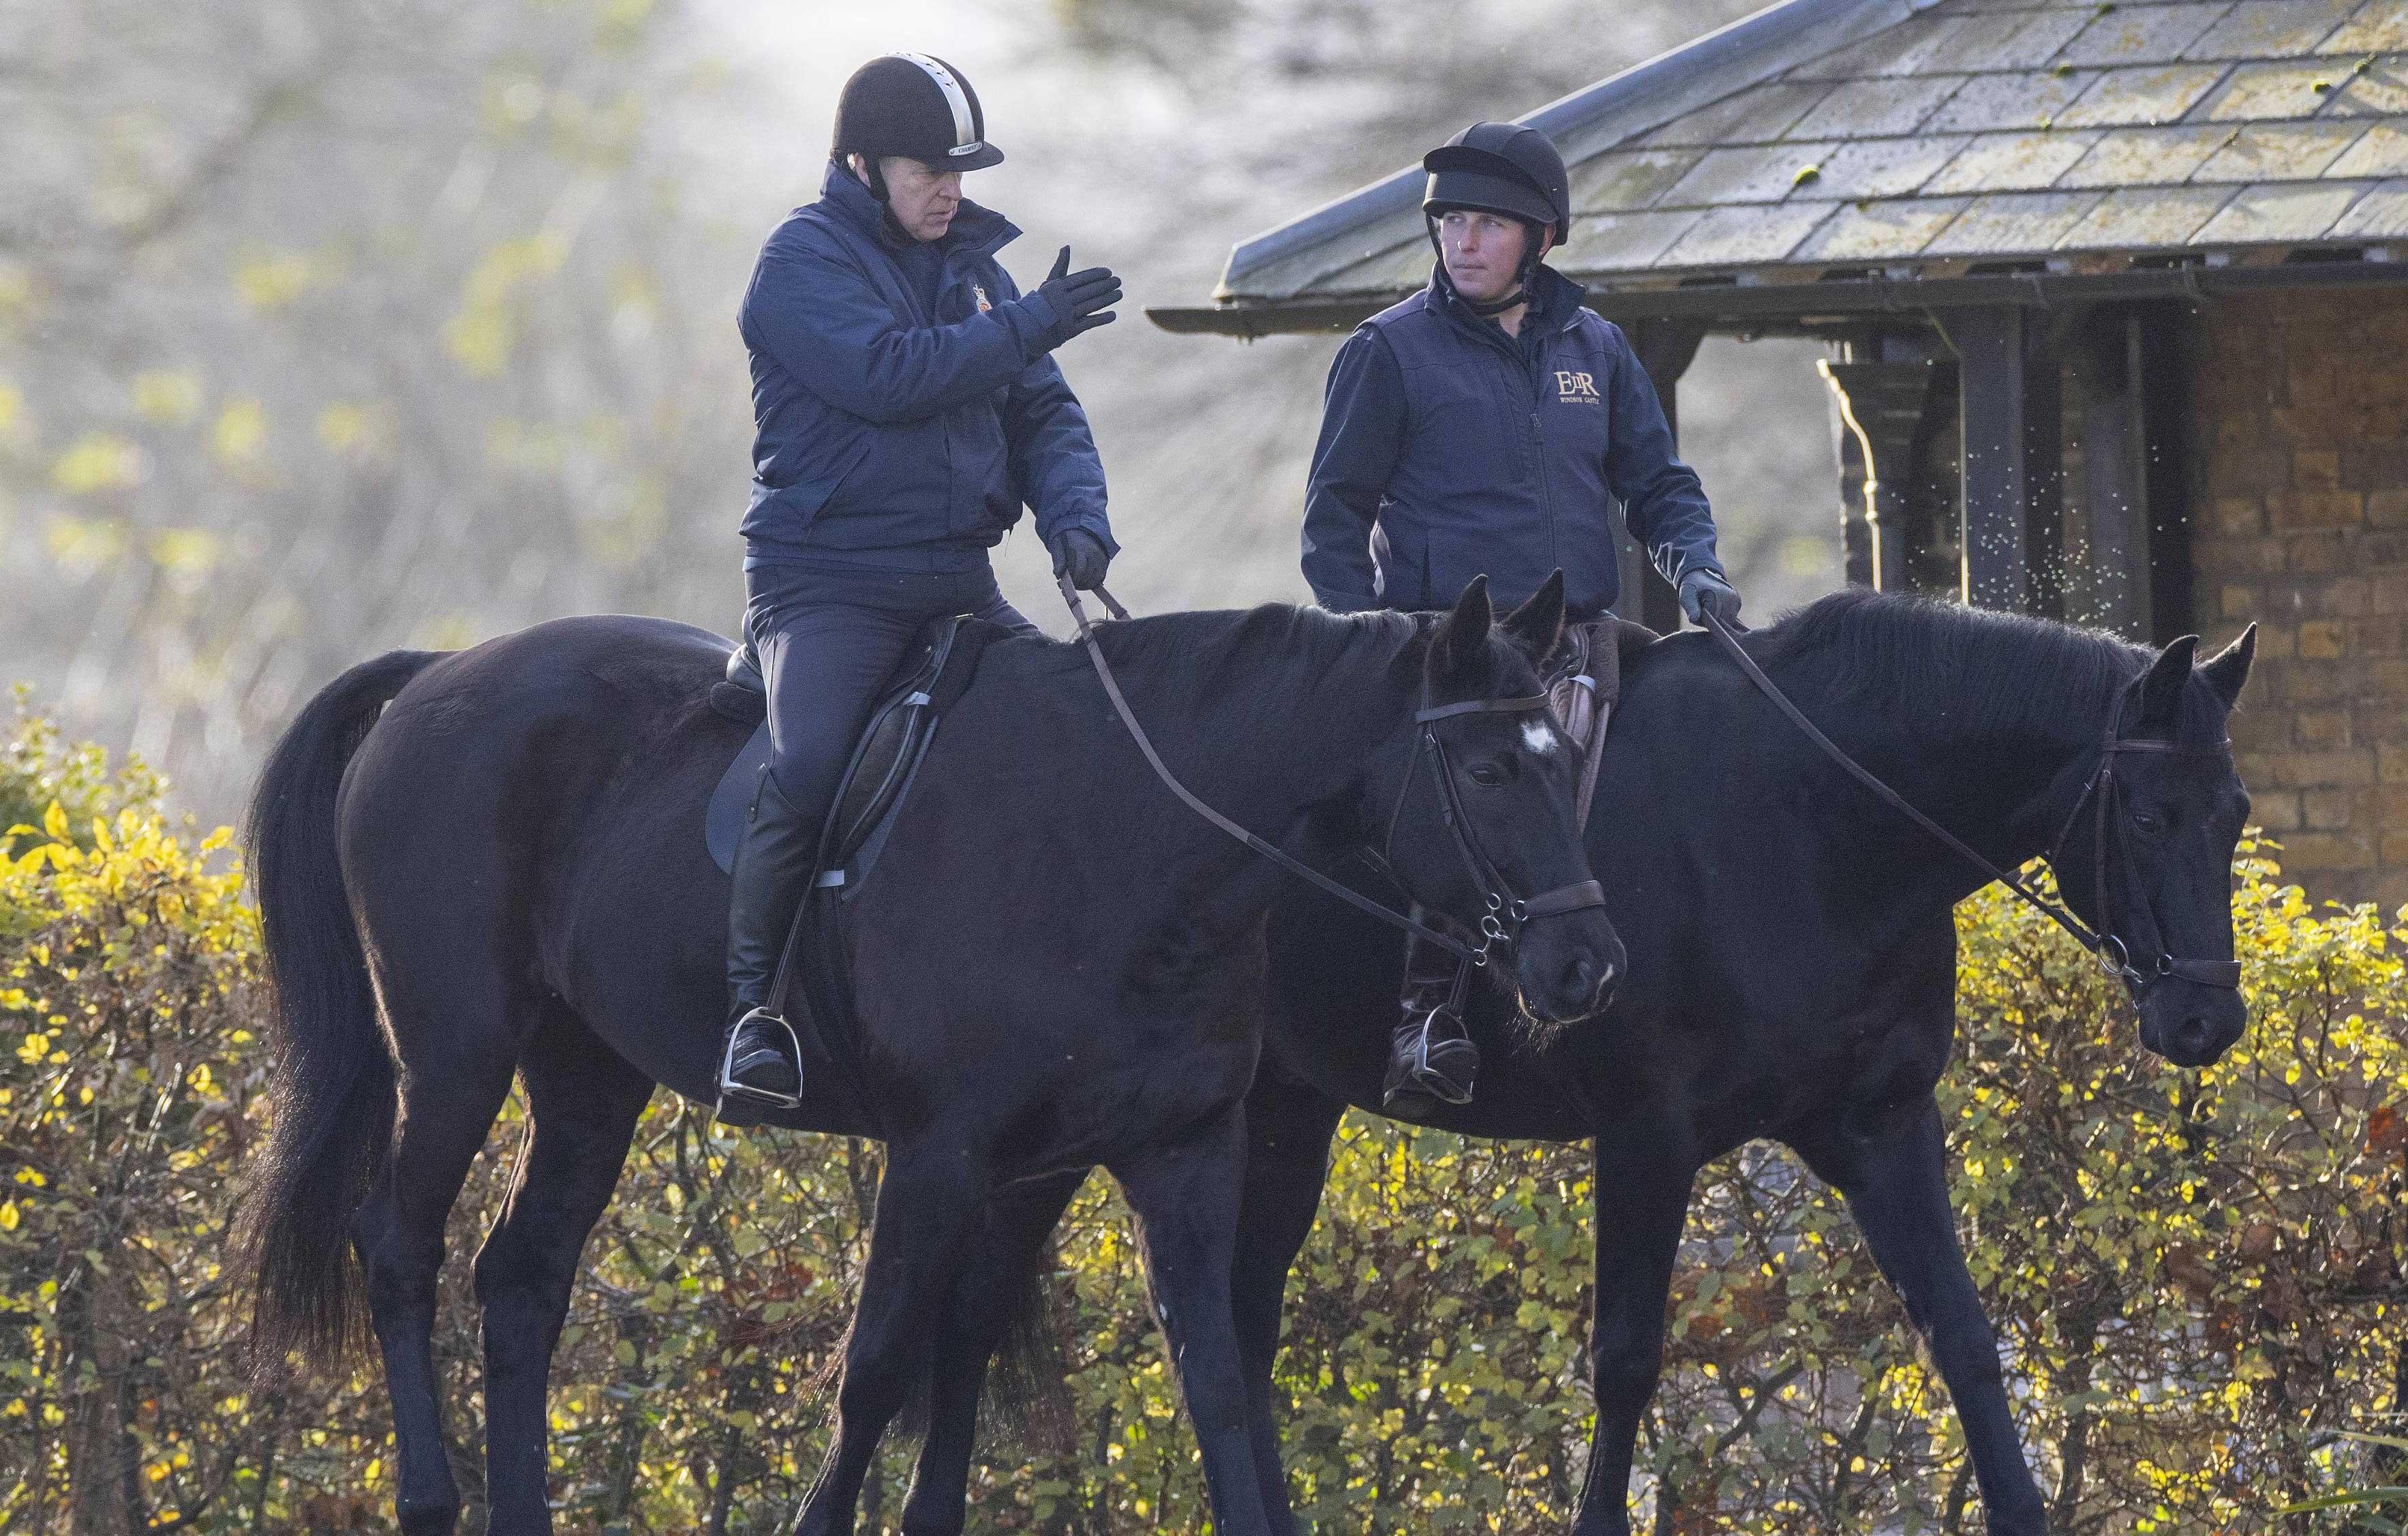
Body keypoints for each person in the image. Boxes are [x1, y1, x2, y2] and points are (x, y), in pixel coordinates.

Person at [1300, 120, 1742, 1117]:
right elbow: (1333, 520)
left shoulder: (1597, 348)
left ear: (1541, 238)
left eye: (1486, 224)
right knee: (1482, 797)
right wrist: (1374, 648)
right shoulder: (1387, 353)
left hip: (1579, 631)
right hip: (1451, 661)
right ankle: (1427, 1017)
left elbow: (1659, 488)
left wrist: (1700, 572)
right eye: (1448, 221)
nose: (1461, 240)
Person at [720, 52, 1122, 1107]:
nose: (949, 189)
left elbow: (1043, 413)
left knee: (1076, 739)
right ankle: (754, 1016)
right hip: (827, 585)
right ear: (861, 165)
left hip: (955, 579)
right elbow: (892, 377)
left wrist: (1077, 518)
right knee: (807, 766)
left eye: (960, 171)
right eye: (926, 169)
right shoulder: (800, 263)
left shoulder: (975, 273)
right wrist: (1027, 322)